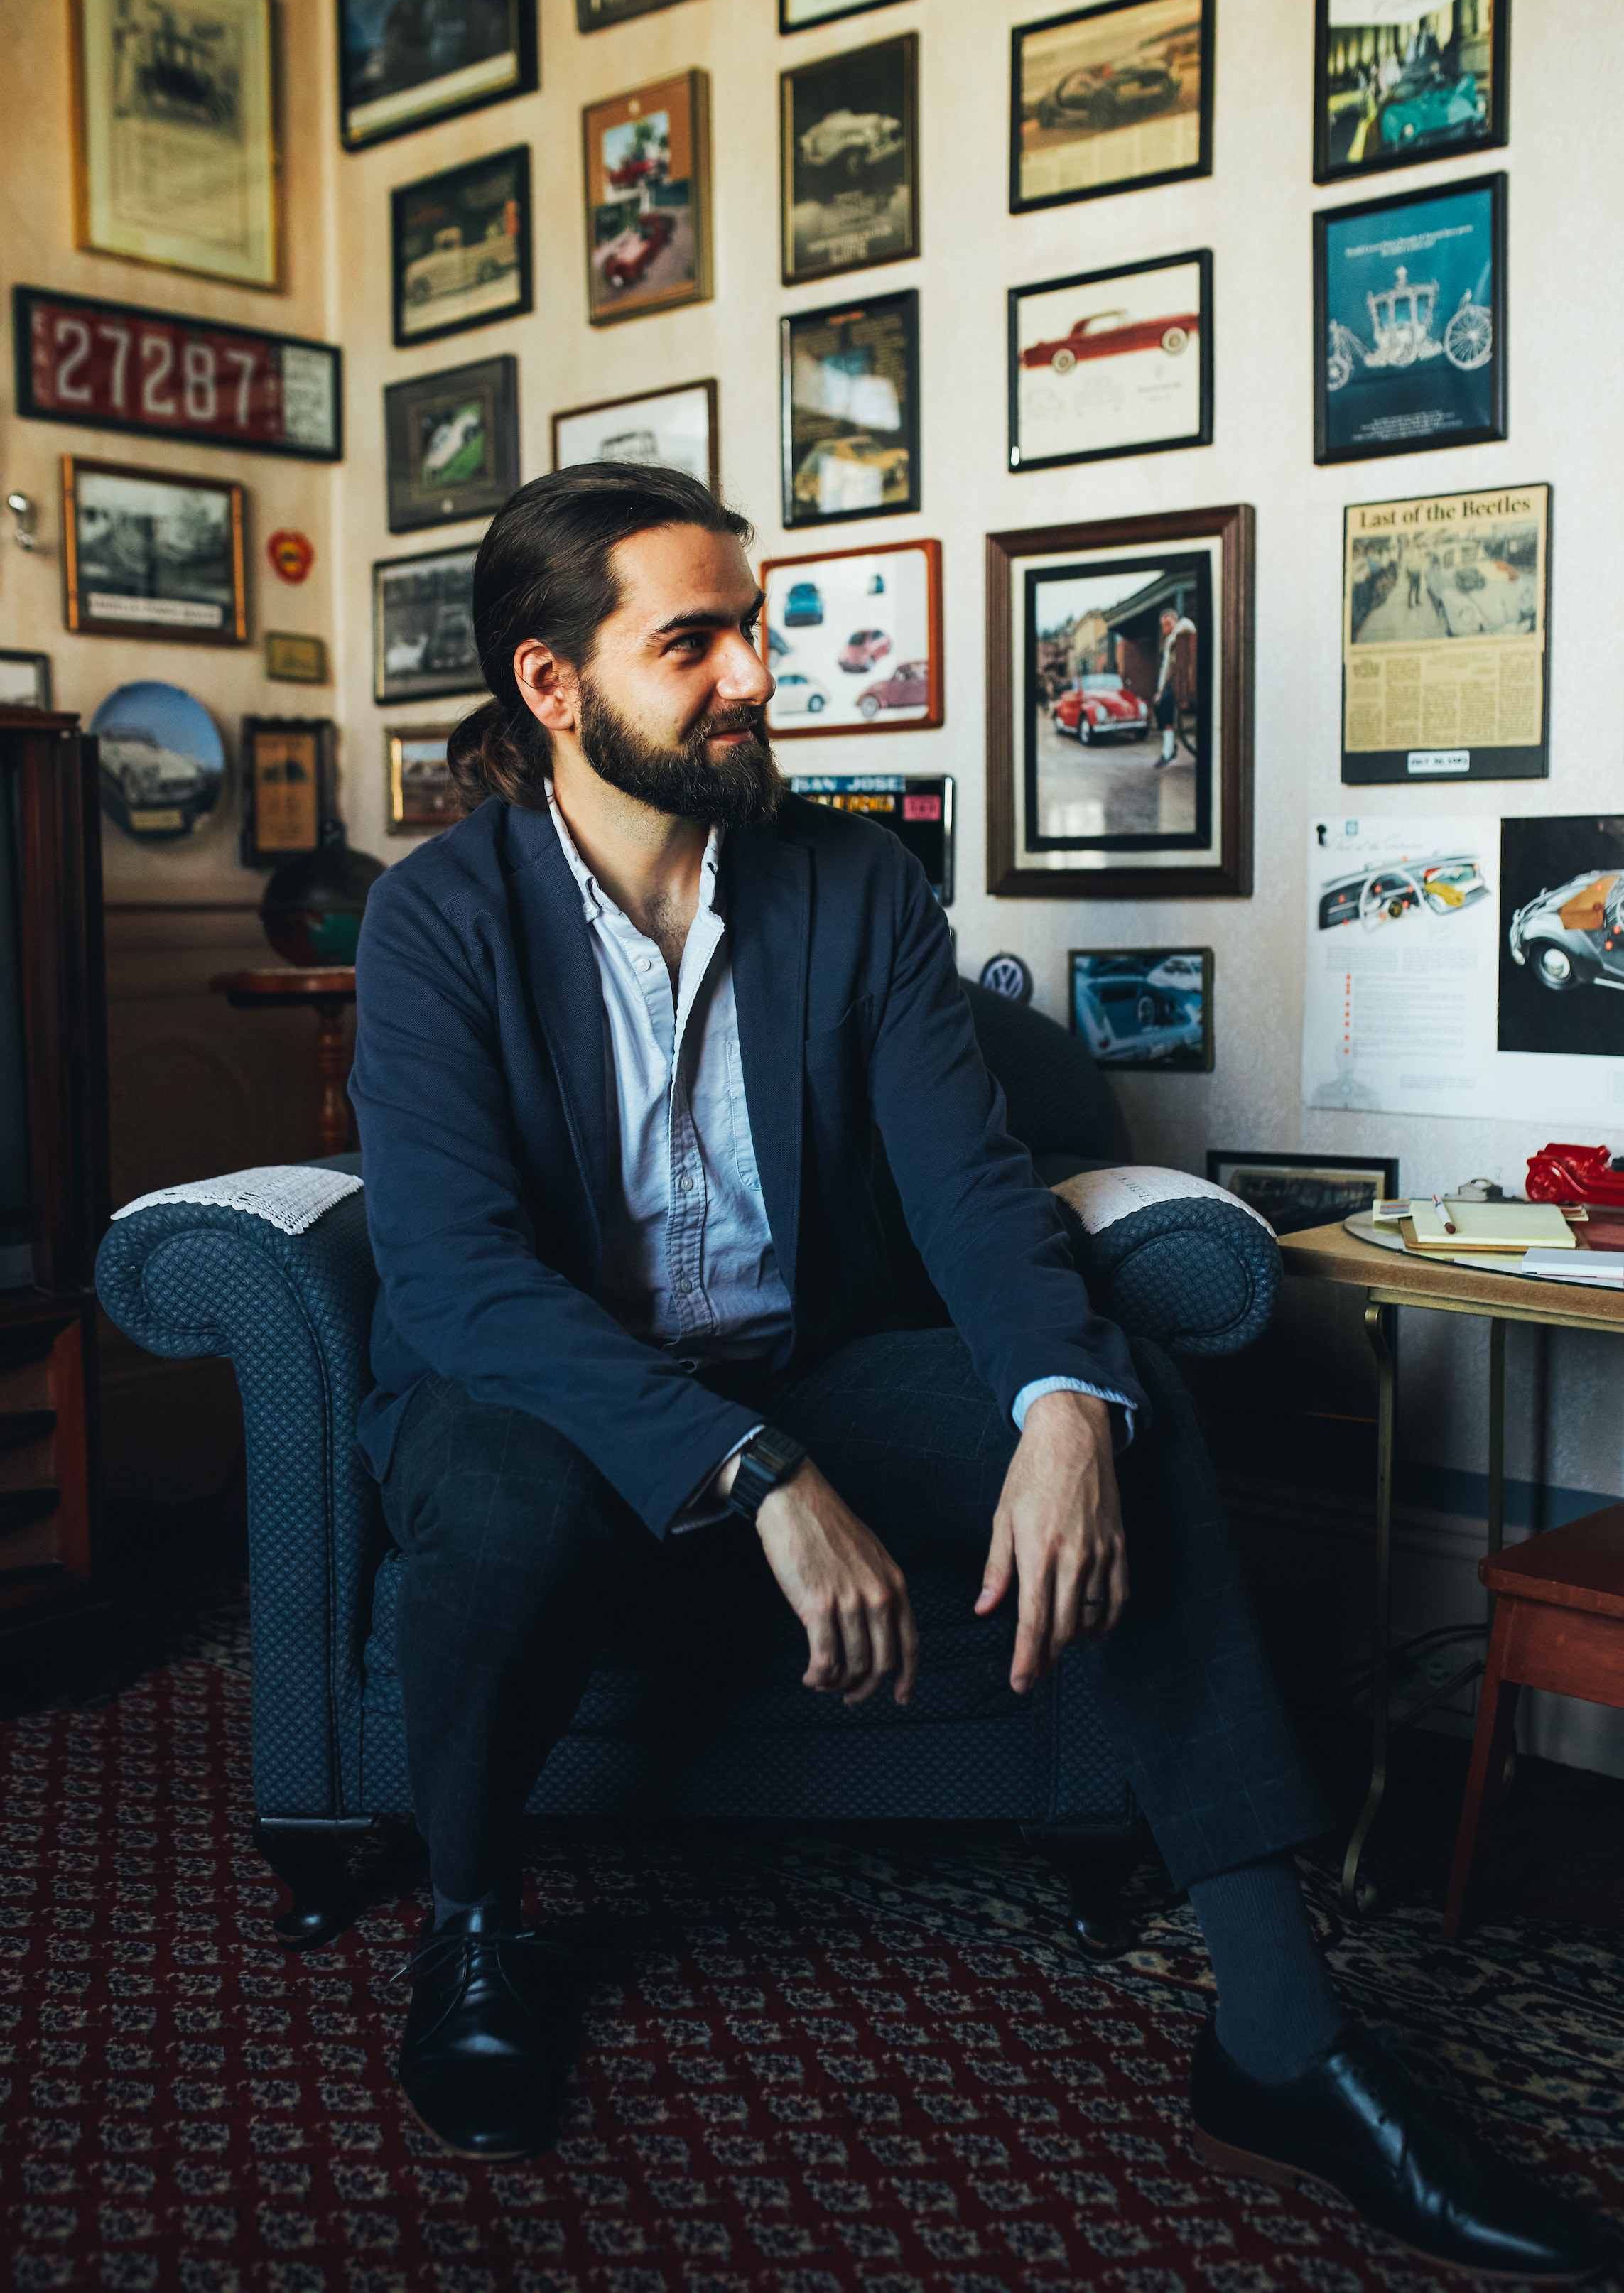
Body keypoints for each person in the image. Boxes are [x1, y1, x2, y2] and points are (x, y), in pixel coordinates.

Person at [350, 464, 1606, 2283]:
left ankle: (1279, 2037)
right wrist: (756, 1470)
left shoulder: (851, 883)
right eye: (688, 642)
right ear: (554, 684)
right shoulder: (436, 920)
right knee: (496, 1480)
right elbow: (462, 1279)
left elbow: (968, 1185)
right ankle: (473, 1919)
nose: (751, 676)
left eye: (752, 630)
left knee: (1128, 1405)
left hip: (813, 1354)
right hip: (548, 1388)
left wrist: (1057, 1404)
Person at [1152, 605, 1196, 768]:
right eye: (1163, 625)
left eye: (1168, 623)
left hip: (1189, 679)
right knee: (1158, 703)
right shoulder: (1169, 642)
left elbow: (1186, 628)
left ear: (1175, 620)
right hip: (1177, 681)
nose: (1166, 628)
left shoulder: (1184, 626)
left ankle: (1168, 751)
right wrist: (1160, 690)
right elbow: (1166, 669)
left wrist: (1174, 631)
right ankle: (1169, 747)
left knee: (1165, 700)